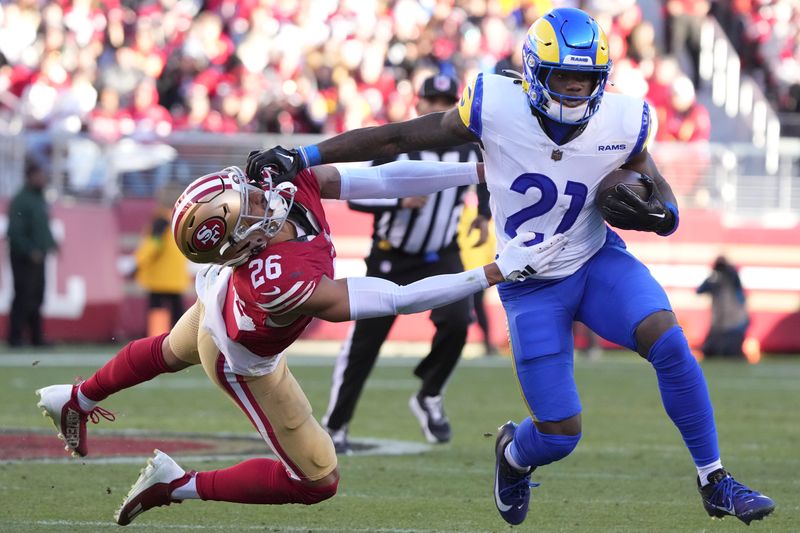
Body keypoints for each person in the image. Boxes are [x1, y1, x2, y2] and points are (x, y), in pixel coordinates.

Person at [245, 7, 775, 526]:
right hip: (530, 285)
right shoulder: (495, 105)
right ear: (534, 74)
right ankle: (513, 455)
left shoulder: (622, 118)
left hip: (595, 260)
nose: (573, 91)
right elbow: (399, 137)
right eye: (562, 77)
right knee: (561, 433)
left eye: (584, 79)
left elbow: (658, 190)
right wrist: (306, 156)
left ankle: (714, 479)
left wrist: (661, 216)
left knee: (671, 342)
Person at [35, 161, 566, 526]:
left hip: (216, 301)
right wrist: (491, 274)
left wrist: (475, 170)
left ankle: (76, 397)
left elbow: (378, 177)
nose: (256, 198)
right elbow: (399, 298)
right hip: (239, 357)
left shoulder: (275, 187)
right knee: (317, 479)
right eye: (242, 208)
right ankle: (174, 485)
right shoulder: (277, 283)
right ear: (240, 241)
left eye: (241, 192)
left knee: (162, 352)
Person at [321, 74, 489, 453]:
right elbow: (356, 197)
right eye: (433, 100)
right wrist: (400, 201)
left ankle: (429, 394)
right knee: (367, 342)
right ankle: (335, 426)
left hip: (443, 252)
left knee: (459, 321)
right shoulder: (396, 147)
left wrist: (485, 214)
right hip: (391, 256)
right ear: (419, 105)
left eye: (448, 99)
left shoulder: (470, 147)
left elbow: (486, 178)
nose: (439, 107)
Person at [6, 157, 58, 347]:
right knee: (23, 296)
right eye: (39, 176)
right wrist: (29, 250)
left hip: (39, 256)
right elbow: (15, 231)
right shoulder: (21, 199)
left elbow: (43, 226)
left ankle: (37, 337)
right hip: (24, 258)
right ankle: (15, 337)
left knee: (37, 296)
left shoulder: (39, 197)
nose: (43, 179)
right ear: (30, 177)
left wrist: (51, 244)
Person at [133, 184, 192, 335]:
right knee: (178, 313)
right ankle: (183, 339)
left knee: (157, 311)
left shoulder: (161, 222)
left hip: (159, 277)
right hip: (176, 276)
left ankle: (157, 342)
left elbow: (153, 245)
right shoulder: (181, 219)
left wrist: (138, 263)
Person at [458, 202, 498, 356]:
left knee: (476, 308)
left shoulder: (480, 218)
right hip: (470, 271)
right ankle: (486, 341)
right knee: (465, 310)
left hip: (475, 272)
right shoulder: (463, 217)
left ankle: (487, 341)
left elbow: (490, 247)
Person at [696, 255, 750, 359]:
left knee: (731, 353)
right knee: (709, 351)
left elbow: (741, 299)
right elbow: (699, 290)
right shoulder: (713, 281)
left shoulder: (733, 278)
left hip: (734, 324)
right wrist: (712, 278)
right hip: (719, 325)